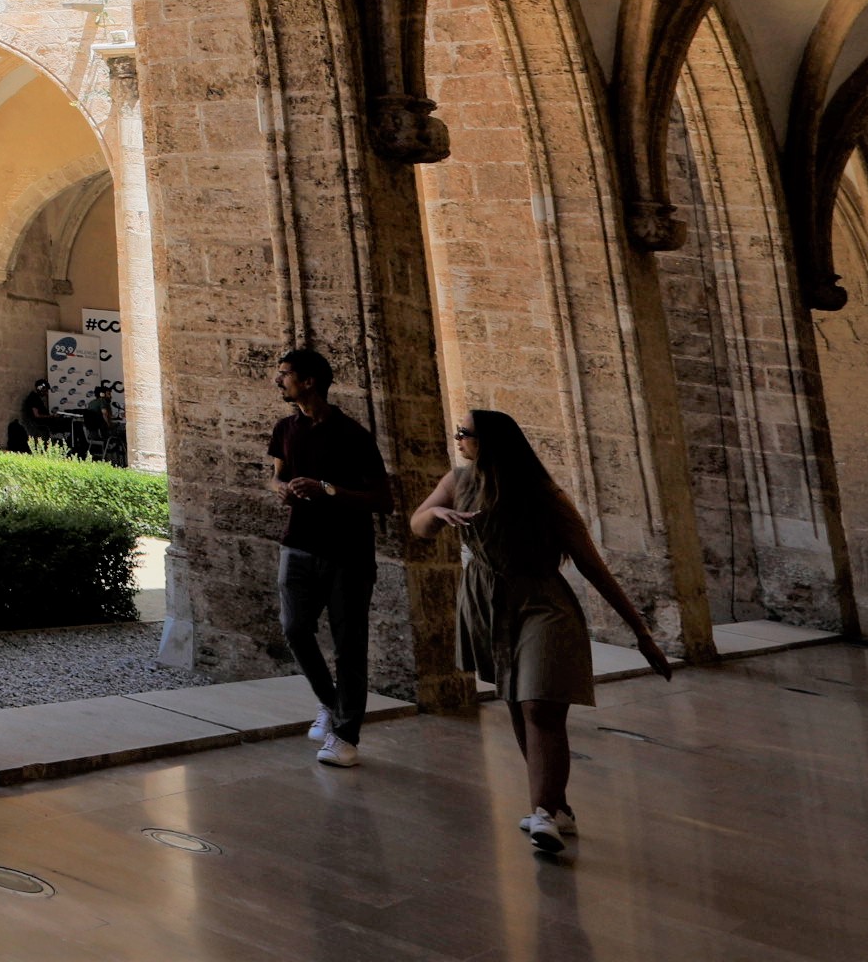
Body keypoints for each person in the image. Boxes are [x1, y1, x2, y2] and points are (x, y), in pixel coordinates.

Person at [412, 409, 671, 858]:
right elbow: (418, 524)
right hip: (488, 603)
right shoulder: (459, 480)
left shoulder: (544, 495)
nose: (458, 439)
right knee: (518, 702)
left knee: (539, 705)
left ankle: (544, 813)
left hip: (542, 604)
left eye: (464, 433)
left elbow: (593, 566)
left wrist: (641, 633)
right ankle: (556, 806)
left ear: (491, 442)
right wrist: (437, 511)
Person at [268, 346, 388, 766]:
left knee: (349, 645)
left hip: (347, 552)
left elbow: (383, 499)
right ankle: (331, 702)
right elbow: (276, 476)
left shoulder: (353, 435)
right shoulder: (285, 428)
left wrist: (328, 490)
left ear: (309, 381)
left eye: (285, 373)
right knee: (294, 628)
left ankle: (346, 737)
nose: (278, 380)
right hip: (298, 544)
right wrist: (281, 489)